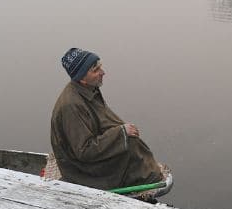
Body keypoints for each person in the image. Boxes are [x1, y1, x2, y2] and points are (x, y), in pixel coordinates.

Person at [50, 47, 163, 191]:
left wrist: (122, 132)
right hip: (81, 169)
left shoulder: (88, 90)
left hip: (88, 158)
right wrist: (120, 133)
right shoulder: (71, 106)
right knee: (130, 145)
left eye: (100, 67)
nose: (103, 73)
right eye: (95, 70)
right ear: (82, 79)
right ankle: (142, 182)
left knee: (130, 141)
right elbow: (84, 151)